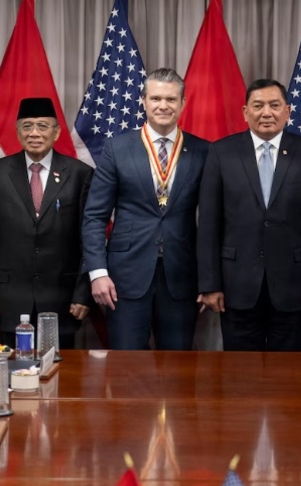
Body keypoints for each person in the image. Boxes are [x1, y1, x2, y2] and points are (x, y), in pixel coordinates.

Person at [198, 79, 301, 351]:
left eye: (274, 105)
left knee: (290, 371)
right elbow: (209, 225)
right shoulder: (221, 152)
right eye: (258, 106)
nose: (266, 113)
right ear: (245, 112)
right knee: (241, 371)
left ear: (287, 111)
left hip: (292, 287)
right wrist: (210, 284)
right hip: (237, 285)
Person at [82, 68, 209, 350]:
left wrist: (211, 280)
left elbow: (214, 219)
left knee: (177, 368)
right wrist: (98, 273)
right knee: (126, 368)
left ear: (183, 103)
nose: (163, 105)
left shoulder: (203, 150)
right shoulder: (117, 148)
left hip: (182, 277)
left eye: (171, 99)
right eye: (156, 98)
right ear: (144, 101)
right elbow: (95, 217)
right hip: (124, 279)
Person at [0, 97, 93, 348]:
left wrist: (83, 293)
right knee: (12, 366)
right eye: (27, 126)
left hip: (62, 298)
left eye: (42, 126)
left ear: (56, 132)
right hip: (9, 297)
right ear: (17, 131)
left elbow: (88, 240)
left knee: (61, 368)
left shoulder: (79, 174)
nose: (34, 133)